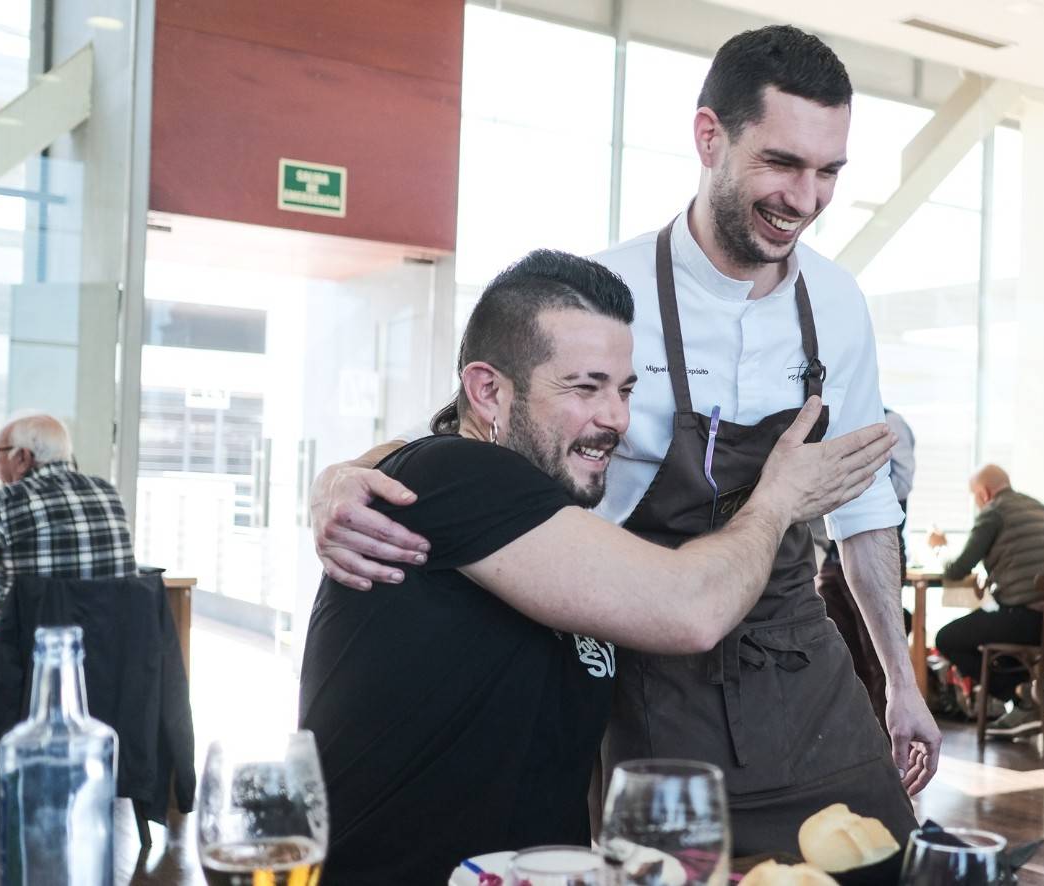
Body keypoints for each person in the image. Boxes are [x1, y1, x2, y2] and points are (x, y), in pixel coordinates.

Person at [309, 26, 940, 872]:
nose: (807, 198)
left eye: (830, 172)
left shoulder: (839, 302)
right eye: (784, 164)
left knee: (881, 860)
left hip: (796, 653)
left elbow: (863, 508)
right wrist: (343, 477)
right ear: (709, 137)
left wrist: (900, 681)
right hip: (646, 642)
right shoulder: (607, 295)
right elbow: (477, 423)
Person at [298, 250, 895, 884]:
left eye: (625, 388)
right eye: (585, 387)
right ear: (488, 391)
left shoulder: (543, 510)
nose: (616, 418)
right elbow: (691, 611)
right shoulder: (457, 475)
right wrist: (778, 499)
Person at [928, 464, 1044, 737]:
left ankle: (1021, 695)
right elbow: (1024, 563)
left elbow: (957, 568)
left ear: (983, 493)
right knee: (990, 627)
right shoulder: (1041, 508)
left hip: (1029, 620)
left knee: (947, 638)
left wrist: (939, 548)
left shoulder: (994, 512)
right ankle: (1024, 700)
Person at [813, 407, 915, 726]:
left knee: (878, 653)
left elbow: (900, 484)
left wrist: (851, 485)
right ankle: (860, 730)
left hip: (872, 549)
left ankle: (888, 736)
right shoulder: (830, 418)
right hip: (831, 558)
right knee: (842, 654)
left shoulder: (891, 421)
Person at [0, 413, 136, 629]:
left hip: (26, 652)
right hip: (112, 651)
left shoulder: (3, 502)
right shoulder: (108, 493)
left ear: (22, 458)